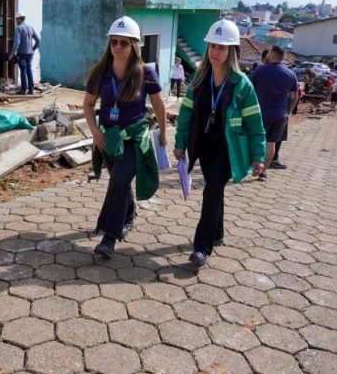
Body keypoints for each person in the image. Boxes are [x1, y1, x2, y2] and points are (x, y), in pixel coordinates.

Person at [174, 20, 265, 267]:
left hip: (229, 149)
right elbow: (186, 114)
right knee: (215, 190)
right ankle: (218, 233)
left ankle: (202, 247)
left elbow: (255, 124)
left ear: (232, 51)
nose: (215, 51)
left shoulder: (242, 84)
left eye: (221, 47)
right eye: (212, 46)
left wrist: (258, 156)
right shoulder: (199, 79)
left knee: (212, 189)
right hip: (205, 147)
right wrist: (180, 143)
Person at [84, 16, 167, 259]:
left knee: (118, 182)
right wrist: (95, 133)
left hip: (134, 139)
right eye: (114, 42)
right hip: (109, 140)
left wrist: (163, 132)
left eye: (124, 43)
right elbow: (88, 105)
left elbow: (159, 104)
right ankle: (128, 215)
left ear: (134, 45)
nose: (118, 47)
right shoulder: (100, 72)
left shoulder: (145, 73)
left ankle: (109, 238)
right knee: (119, 183)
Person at [250, 45, 299, 175]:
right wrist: (288, 112)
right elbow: (294, 96)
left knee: (257, 141)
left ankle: (253, 167)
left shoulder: (259, 71)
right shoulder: (291, 74)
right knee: (271, 144)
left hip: (260, 114)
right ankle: (263, 172)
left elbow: (248, 92)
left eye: (268, 53)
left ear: (271, 55)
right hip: (280, 115)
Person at [8, 12, 40, 95]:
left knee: (23, 71)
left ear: (19, 19)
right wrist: (33, 49)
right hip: (30, 54)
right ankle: (31, 90)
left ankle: (23, 90)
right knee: (29, 71)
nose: (16, 21)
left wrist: (12, 53)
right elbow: (38, 40)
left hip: (22, 54)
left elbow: (16, 43)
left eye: (16, 19)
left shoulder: (19, 28)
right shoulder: (30, 27)